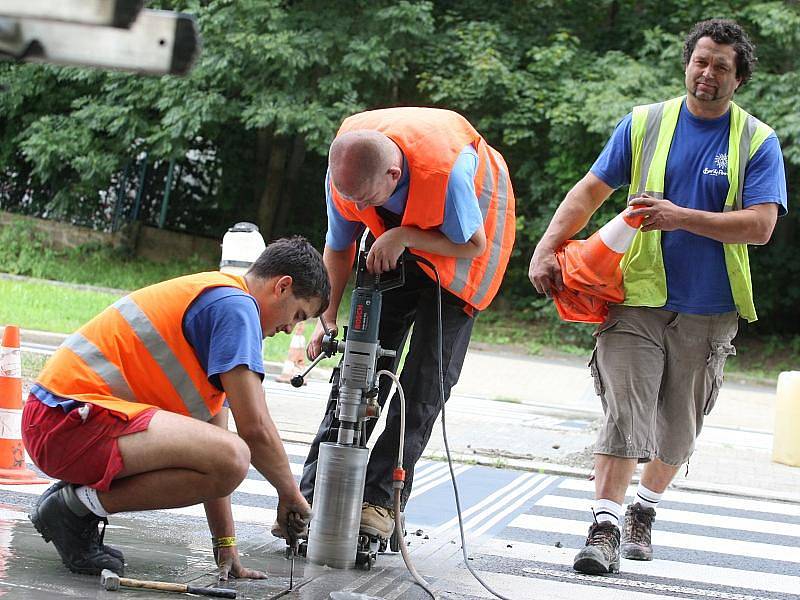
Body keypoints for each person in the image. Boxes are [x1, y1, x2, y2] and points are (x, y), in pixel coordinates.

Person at [528, 19, 787, 575]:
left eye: (721, 66)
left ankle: (643, 509)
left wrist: (680, 218)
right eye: (701, 61)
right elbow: (590, 191)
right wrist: (546, 247)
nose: (707, 73)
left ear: (739, 78)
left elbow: (761, 226)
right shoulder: (644, 123)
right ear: (687, 63)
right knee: (625, 413)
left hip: (710, 306)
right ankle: (603, 527)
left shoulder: (757, 141)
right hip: (636, 297)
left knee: (678, 431)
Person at [22, 236, 330, 579]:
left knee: (225, 459)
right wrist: (290, 495)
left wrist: (226, 548)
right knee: (234, 456)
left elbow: (215, 457)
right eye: (298, 315)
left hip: (64, 422)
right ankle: (73, 509)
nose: (289, 329)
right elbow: (254, 430)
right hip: (65, 420)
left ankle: (74, 508)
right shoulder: (236, 307)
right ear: (282, 286)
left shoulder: (220, 301)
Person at [299, 107, 516, 540]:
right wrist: (326, 319)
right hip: (392, 246)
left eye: (365, 199)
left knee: (421, 386)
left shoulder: (448, 173)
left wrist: (404, 235)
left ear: (393, 174)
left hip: (461, 258)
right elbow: (338, 247)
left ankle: (379, 502)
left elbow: (472, 244)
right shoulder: (347, 173)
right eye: (351, 198)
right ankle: (310, 497)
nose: (357, 207)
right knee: (357, 372)